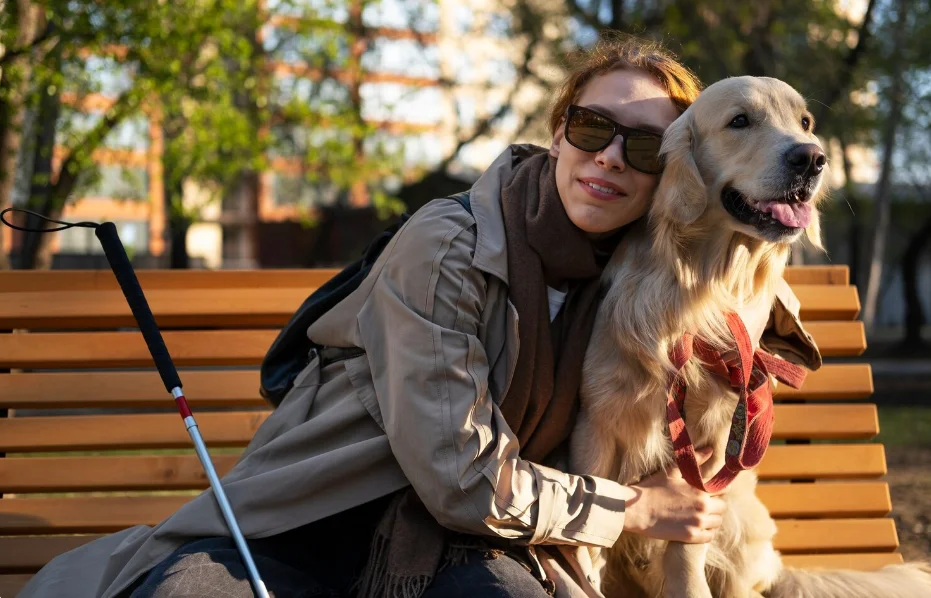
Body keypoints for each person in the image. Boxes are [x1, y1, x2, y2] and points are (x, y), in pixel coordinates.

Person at [18, 35, 782, 598]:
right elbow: (462, 477)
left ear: (671, 168)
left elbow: (742, 279)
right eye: (590, 129)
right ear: (557, 133)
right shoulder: (447, 242)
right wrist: (634, 507)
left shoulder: (636, 279)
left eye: (643, 147)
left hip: (467, 549)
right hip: (311, 528)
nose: (610, 157)